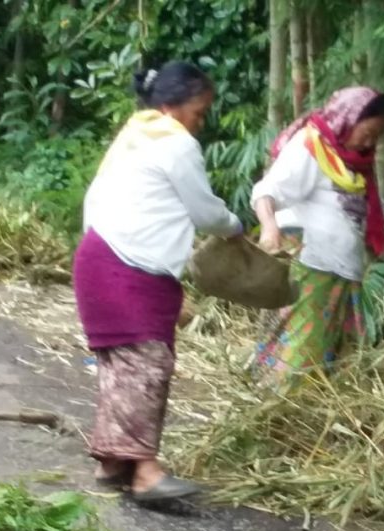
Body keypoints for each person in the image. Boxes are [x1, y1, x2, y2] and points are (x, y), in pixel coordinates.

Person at [72, 62, 242, 501]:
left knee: (120, 367)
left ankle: (113, 464)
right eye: (199, 112)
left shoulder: (134, 135)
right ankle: (145, 471)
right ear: (171, 105)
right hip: (129, 266)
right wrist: (236, 228)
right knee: (147, 366)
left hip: (97, 257)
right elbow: (206, 213)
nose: (199, 123)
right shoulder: (175, 142)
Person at [251, 86, 384, 385]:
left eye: (377, 136)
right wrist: (269, 227)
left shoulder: (351, 160)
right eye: (369, 131)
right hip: (311, 267)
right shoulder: (310, 146)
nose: (370, 141)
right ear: (349, 117)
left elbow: (368, 202)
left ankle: (307, 421)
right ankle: (278, 416)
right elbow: (267, 190)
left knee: (331, 360)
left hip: (343, 272)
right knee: (301, 353)